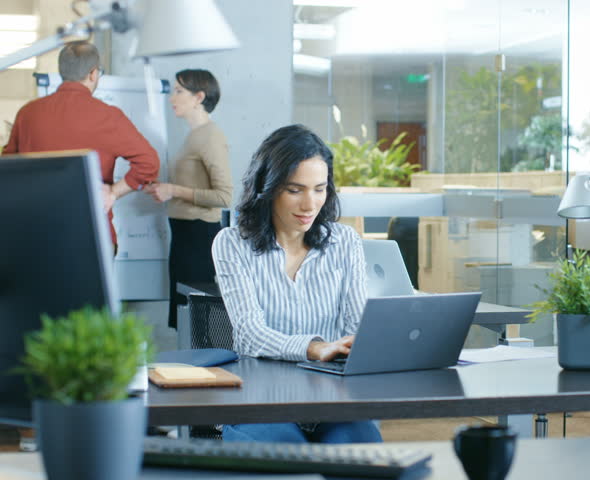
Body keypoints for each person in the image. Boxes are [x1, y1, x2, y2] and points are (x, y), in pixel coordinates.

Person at [211, 124, 382, 444]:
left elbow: (358, 323)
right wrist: (316, 347)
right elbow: (249, 335)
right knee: (288, 456)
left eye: (319, 189)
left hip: (332, 401)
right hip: (260, 402)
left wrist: (371, 341)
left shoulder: (344, 241)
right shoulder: (232, 243)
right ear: (268, 187)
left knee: (362, 448)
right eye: (295, 190)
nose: (310, 204)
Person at [2, 41, 159, 247]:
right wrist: (113, 192)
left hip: (35, 232)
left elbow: (8, 169)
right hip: (91, 234)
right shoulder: (108, 116)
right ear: (93, 74)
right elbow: (149, 162)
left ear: (62, 71)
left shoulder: (28, 113)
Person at [145, 69, 232, 329]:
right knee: (186, 322)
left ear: (199, 97)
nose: (172, 97)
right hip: (183, 237)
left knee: (197, 324)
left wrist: (173, 190)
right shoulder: (193, 135)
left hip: (199, 238)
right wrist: (166, 188)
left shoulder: (211, 136)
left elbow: (224, 196)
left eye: (179, 91)